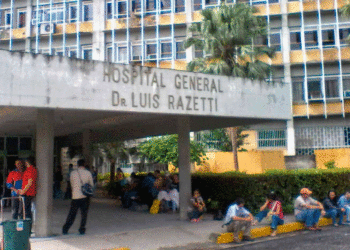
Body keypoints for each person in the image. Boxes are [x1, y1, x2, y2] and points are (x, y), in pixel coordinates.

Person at [62, 159, 94, 235]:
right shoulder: (88, 173)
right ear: (84, 164)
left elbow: (71, 184)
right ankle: (82, 229)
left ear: (78, 165)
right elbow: (91, 184)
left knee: (72, 214)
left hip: (75, 196)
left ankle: (65, 228)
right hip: (85, 197)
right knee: (84, 214)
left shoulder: (73, 173)